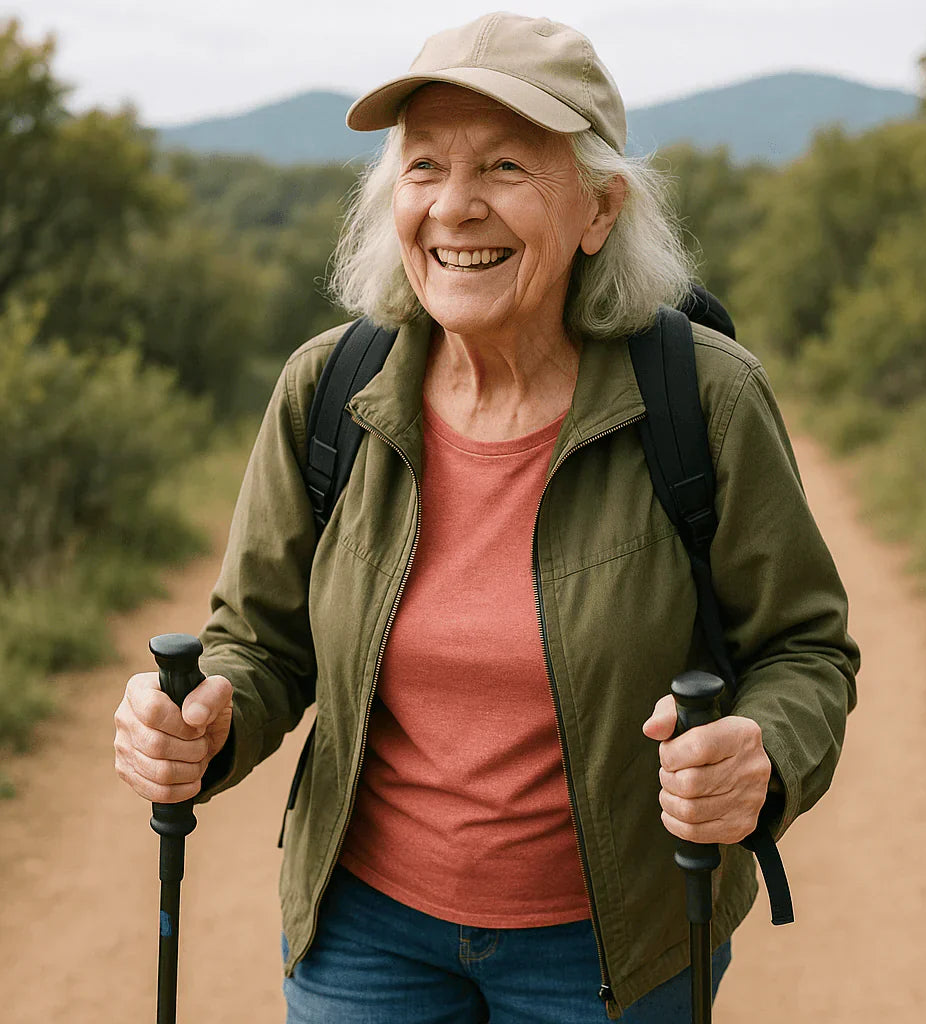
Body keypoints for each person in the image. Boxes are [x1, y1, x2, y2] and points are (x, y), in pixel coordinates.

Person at [113, 12, 858, 1023]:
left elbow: (805, 647)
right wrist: (208, 720)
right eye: (423, 168)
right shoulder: (328, 389)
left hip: (614, 948)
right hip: (365, 935)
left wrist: (762, 750)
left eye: (505, 166)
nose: (454, 207)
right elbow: (260, 640)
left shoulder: (703, 399)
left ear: (599, 209)